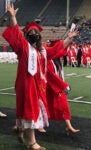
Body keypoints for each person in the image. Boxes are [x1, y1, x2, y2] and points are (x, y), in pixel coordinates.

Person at [2, 4, 77, 150]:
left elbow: (56, 50)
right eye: (30, 32)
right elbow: (16, 34)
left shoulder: (41, 52)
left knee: (30, 110)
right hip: (26, 84)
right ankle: (31, 143)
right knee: (30, 110)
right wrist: (12, 17)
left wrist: (68, 38)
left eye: (36, 32)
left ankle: (19, 129)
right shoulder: (23, 47)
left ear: (39, 36)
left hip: (37, 86)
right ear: (27, 35)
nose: (33, 33)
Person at [46, 56, 80, 133]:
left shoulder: (58, 61)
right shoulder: (49, 61)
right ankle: (28, 126)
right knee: (44, 106)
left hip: (58, 87)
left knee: (64, 105)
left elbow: (60, 75)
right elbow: (51, 76)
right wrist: (63, 85)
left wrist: (63, 85)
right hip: (51, 87)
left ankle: (69, 126)